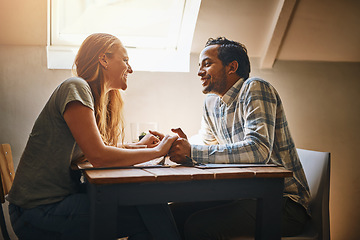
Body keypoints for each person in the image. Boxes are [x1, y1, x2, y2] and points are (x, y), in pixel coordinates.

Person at [7, 33, 178, 240]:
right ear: (103, 59)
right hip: (36, 211)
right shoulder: (76, 87)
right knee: (149, 216)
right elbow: (99, 156)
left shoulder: (91, 96)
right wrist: (157, 151)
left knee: (149, 206)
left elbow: (95, 150)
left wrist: (140, 147)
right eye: (125, 60)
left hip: (47, 204)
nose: (130, 69)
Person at [161, 37, 311, 239]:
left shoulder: (255, 88)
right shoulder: (211, 102)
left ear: (231, 67)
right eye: (200, 65)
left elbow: (258, 150)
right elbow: (205, 142)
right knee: (169, 215)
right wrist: (174, 145)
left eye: (207, 64)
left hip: (283, 204)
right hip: (242, 195)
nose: (199, 72)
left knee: (198, 227)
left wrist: (192, 151)